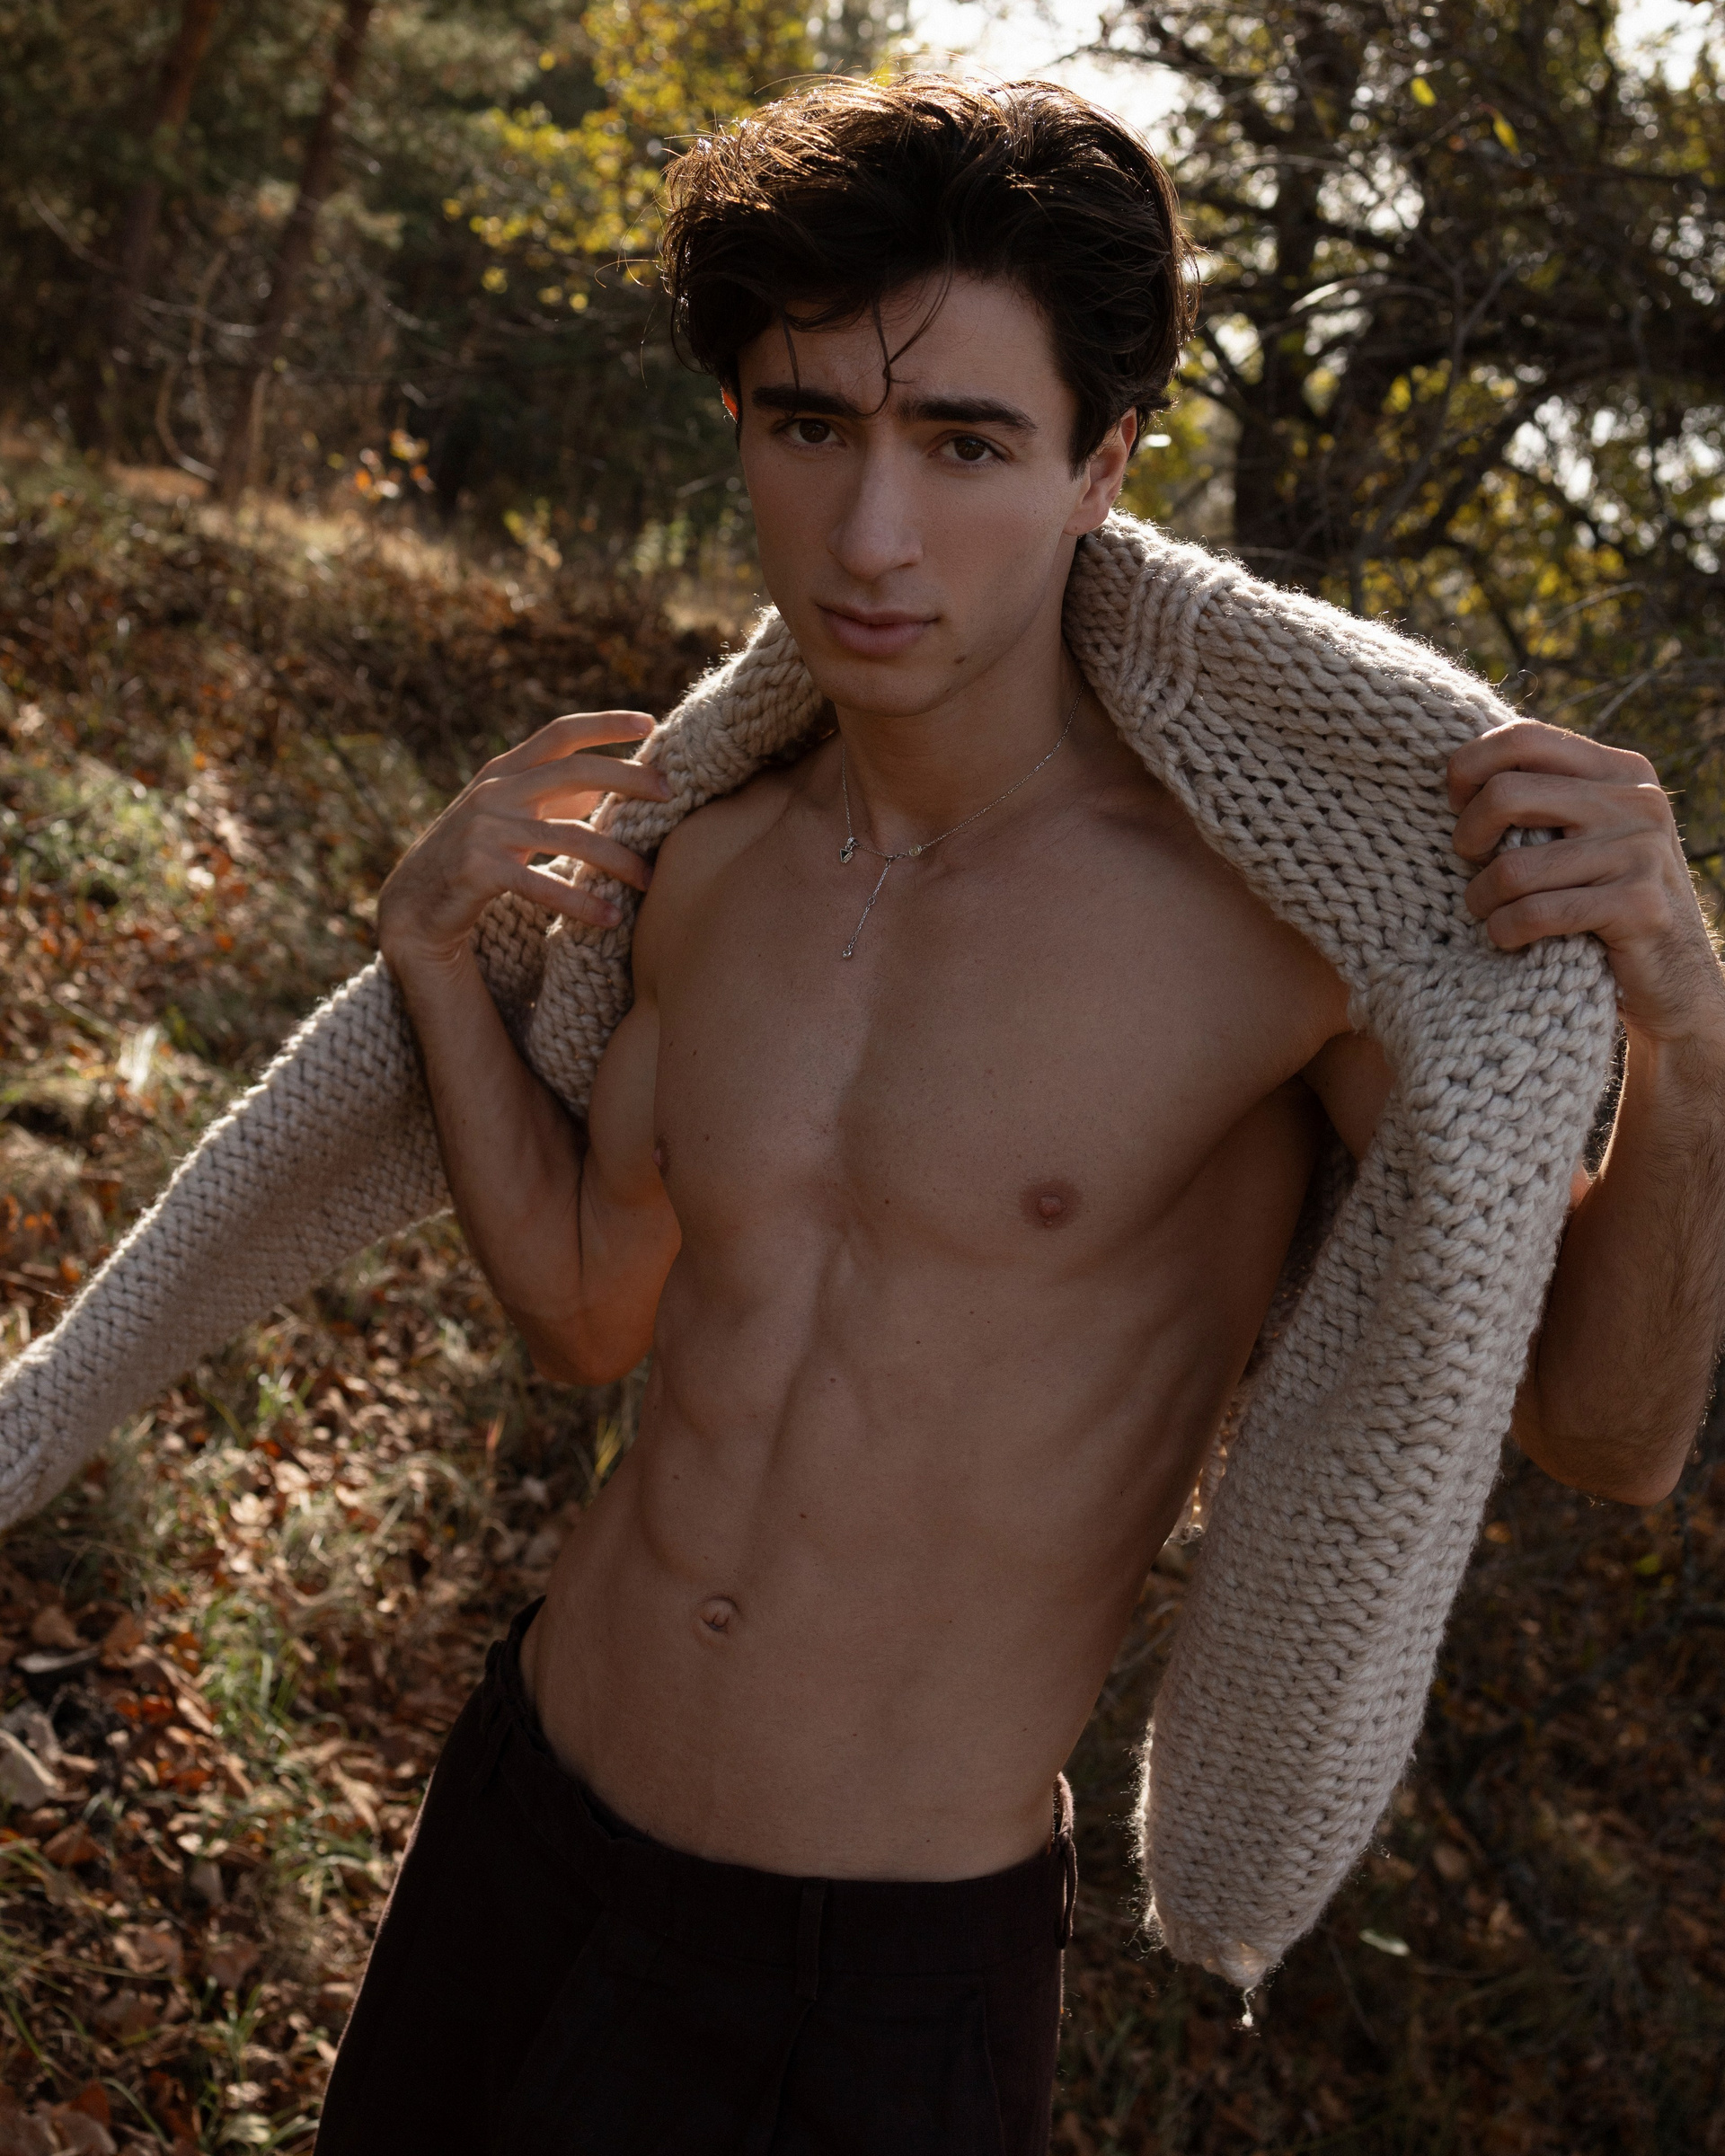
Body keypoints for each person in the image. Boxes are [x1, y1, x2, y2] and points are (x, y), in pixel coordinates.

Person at [314, 75, 1725, 2155]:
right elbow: (590, 1315)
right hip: (523, 1821)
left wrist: (1686, 1036)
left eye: (966, 443)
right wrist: (436, 961)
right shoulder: (712, 863)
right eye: (810, 425)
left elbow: (1614, 1439)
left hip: (870, 1985)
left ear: (1101, 467)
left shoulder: (1279, 938)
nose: (872, 536)